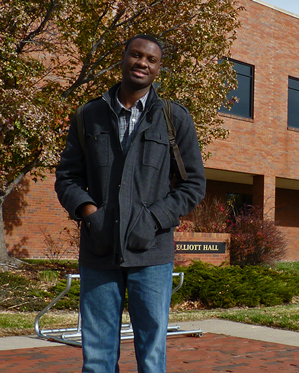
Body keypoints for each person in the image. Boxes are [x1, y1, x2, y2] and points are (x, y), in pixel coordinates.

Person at [55, 34, 206, 372]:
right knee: (96, 357)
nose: (142, 63)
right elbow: (67, 177)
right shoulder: (88, 116)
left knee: (151, 357)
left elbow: (193, 184)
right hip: (99, 252)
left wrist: (151, 220)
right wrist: (91, 215)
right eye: (136, 55)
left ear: (158, 68)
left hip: (151, 255)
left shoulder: (173, 118)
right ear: (123, 58)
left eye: (151, 59)